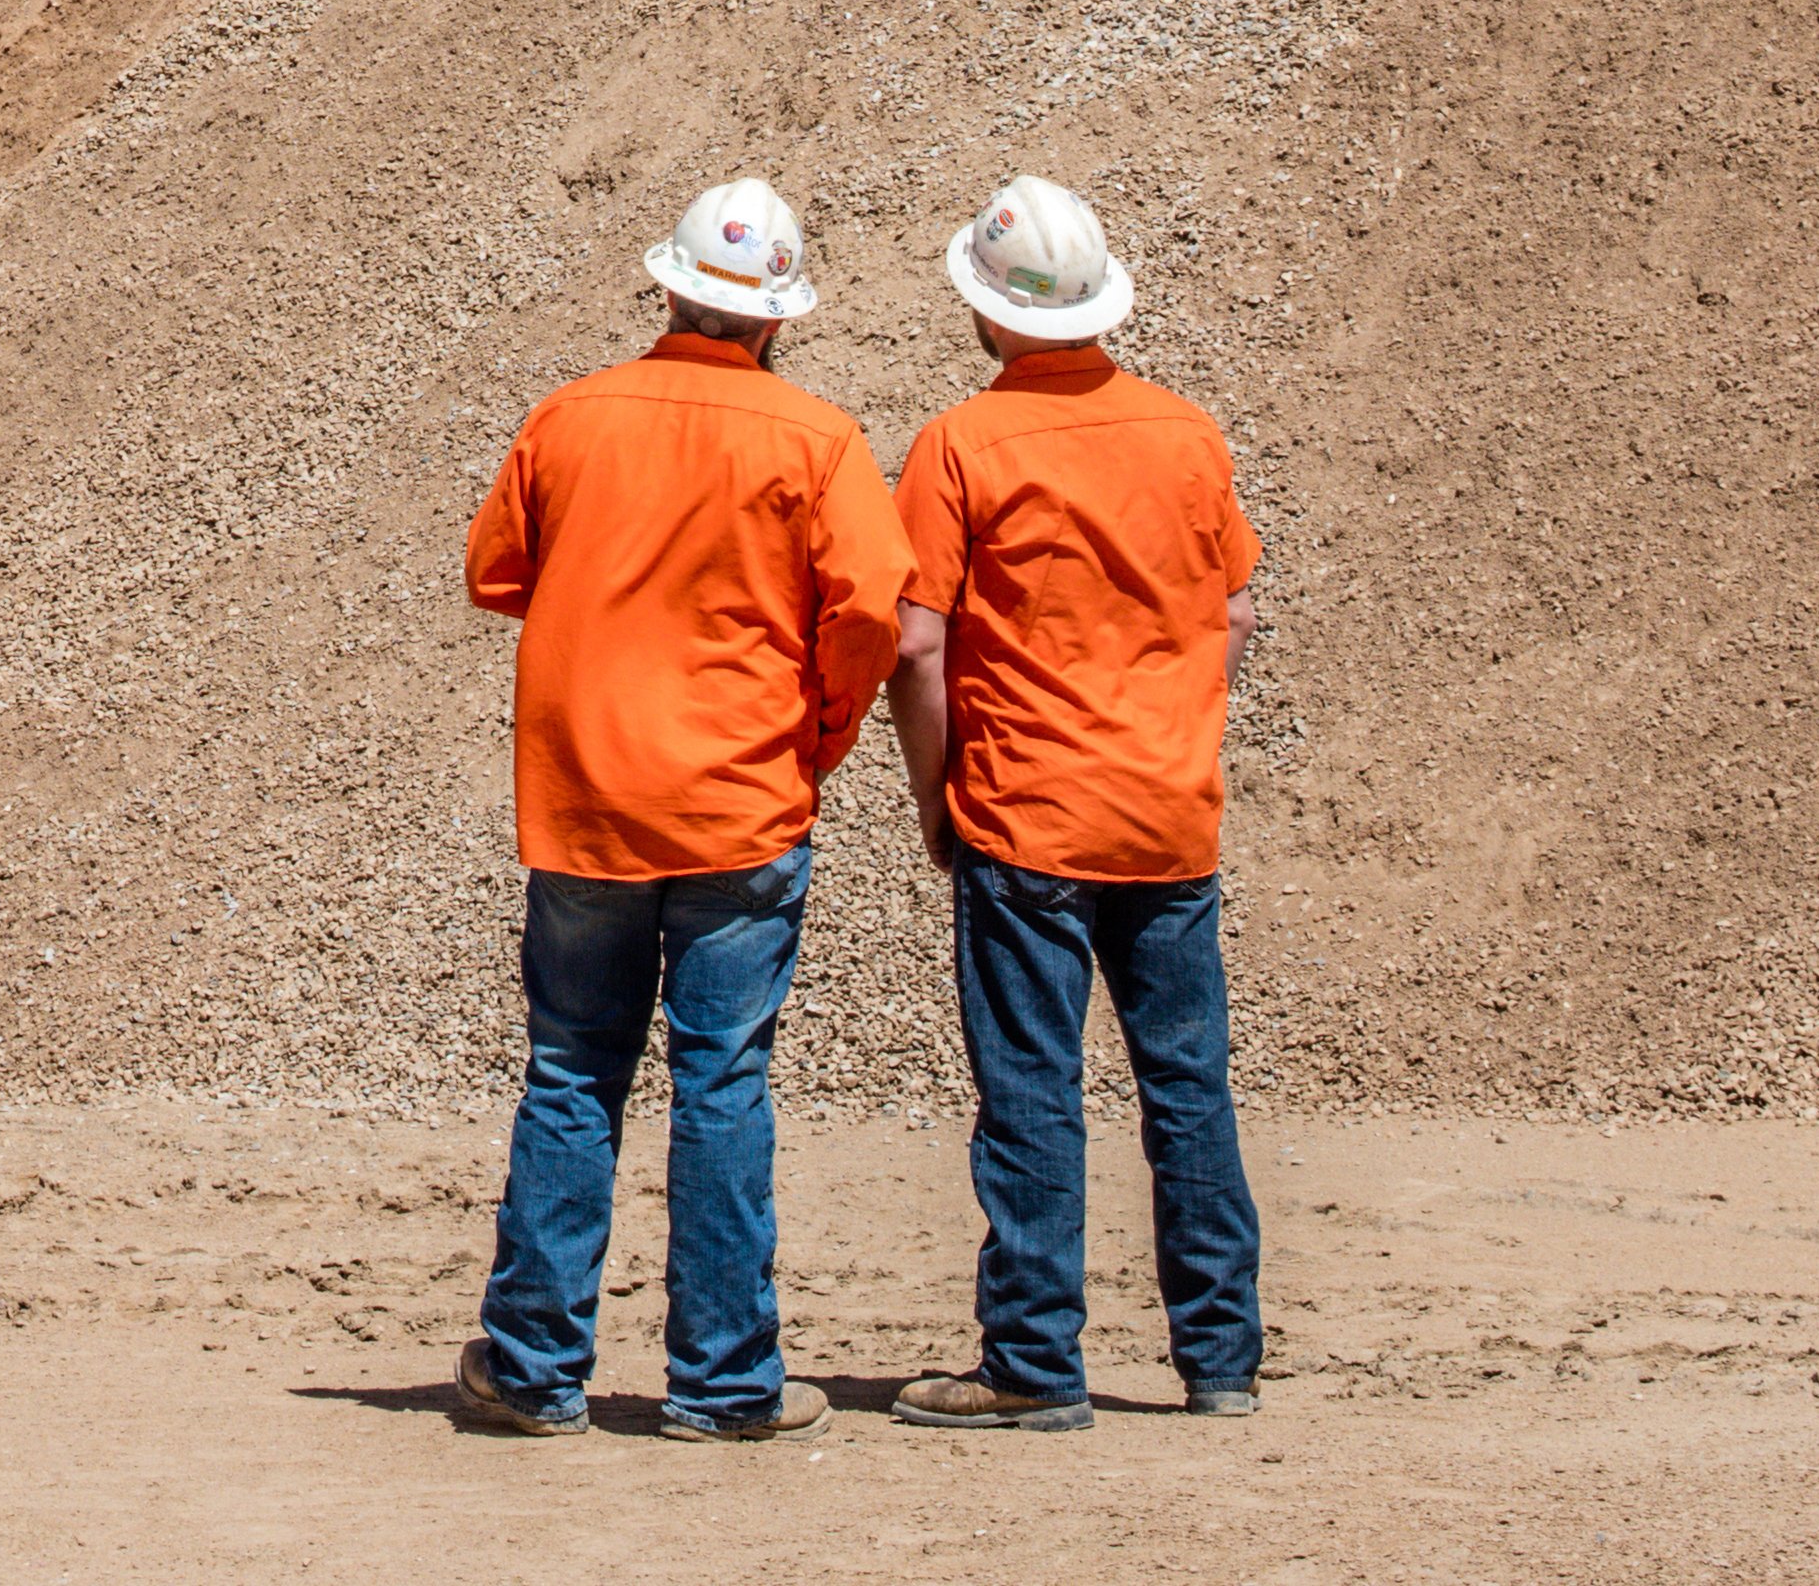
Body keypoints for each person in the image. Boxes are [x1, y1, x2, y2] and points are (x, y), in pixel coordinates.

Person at [447, 175, 912, 1445]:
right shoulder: (816, 441)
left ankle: (535, 1370)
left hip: (586, 804)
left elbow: (497, 574)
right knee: (722, 1083)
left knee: (571, 1071)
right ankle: (724, 1383)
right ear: (776, 316)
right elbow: (871, 613)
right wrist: (816, 736)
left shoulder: (573, 415)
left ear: (669, 286)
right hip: (741, 807)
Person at [878, 176, 1266, 1434]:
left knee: (1033, 1088)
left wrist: (937, 799)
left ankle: (1035, 1364)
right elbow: (1236, 611)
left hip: (1026, 812)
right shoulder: (1186, 435)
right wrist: (1172, 730)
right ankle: (1221, 1359)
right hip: (1167, 813)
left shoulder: (958, 446)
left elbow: (919, 646)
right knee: (1187, 1084)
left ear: (986, 311)